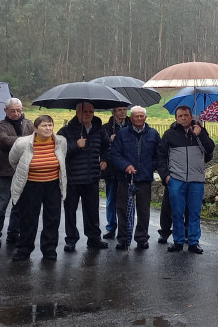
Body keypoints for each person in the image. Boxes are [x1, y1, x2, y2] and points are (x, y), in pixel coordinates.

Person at [156, 106, 214, 254]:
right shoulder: (169, 134)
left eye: (186, 115)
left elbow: (209, 152)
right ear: (176, 118)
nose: (183, 118)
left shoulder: (200, 131)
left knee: (194, 213)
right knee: (176, 212)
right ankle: (178, 241)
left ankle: (194, 242)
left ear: (190, 116)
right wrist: (166, 177)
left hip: (196, 180)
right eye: (180, 116)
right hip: (176, 179)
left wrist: (200, 135)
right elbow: (161, 156)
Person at [8, 115, 67, 261]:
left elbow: (62, 159)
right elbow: (13, 161)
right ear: (35, 128)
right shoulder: (22, 143)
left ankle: (49, 249)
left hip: (53, 184)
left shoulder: (61, 141)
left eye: (50, 125)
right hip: (31, 185)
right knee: (28, 218)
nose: (48, 128)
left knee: (52, 218)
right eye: (44, 126)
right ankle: (24, 249)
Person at [57, 102, 110, 252]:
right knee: (70, 210)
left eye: (91, 112)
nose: (88, 114)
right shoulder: (66, 131)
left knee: (92, 211)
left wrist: (105, 159)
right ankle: (71, 239)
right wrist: (75, 145)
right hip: (72, 177)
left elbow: (107, 146)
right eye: (85, 112)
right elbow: (59, 151)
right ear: (77, 113)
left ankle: (94, 238)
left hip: (92, 177)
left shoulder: (98, 129)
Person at [109, 106, 159, 250]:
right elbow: (115, 154)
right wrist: (125, 166)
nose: (139, 118)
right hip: (125, 178)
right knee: (123, 209)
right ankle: (123, 238)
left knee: (144, 210)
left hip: (144, 179)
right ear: (130, 118)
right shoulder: (122, 134)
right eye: (136, 116)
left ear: (145, 117)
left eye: (141, 116)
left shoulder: (153, 134)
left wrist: (150, 166)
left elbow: (159, 155)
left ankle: (142, 237)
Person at [0, 98, 34, 248]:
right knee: (0, 206)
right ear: (5, 110)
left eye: (18, 110)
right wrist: (28, 140)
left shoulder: (29, 124)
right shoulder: (1, 125)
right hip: (5, 171)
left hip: (24, 170)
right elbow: (4, 141)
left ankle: (13, 234)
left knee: (19, 205)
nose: (16, 113)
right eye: (12, 110)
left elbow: (38, 140)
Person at [101, 106, 130, 240]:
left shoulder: (131, 126)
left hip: (126, 168)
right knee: (111, 199)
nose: (123, 112)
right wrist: (109, 140)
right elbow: (102, 147)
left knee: (126, 201)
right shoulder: (106, 128)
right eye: (119, 110)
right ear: (113, 112)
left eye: (125, 109)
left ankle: (125, 229)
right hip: (112, 169)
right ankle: (111, 227)